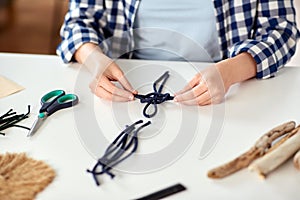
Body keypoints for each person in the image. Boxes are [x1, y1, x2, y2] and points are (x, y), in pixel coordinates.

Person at [57, 0, 300, 105]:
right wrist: (94, 59)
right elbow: (78, 22)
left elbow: (282, 30)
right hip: (128, 86)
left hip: (226, 91)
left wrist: (232, 71)